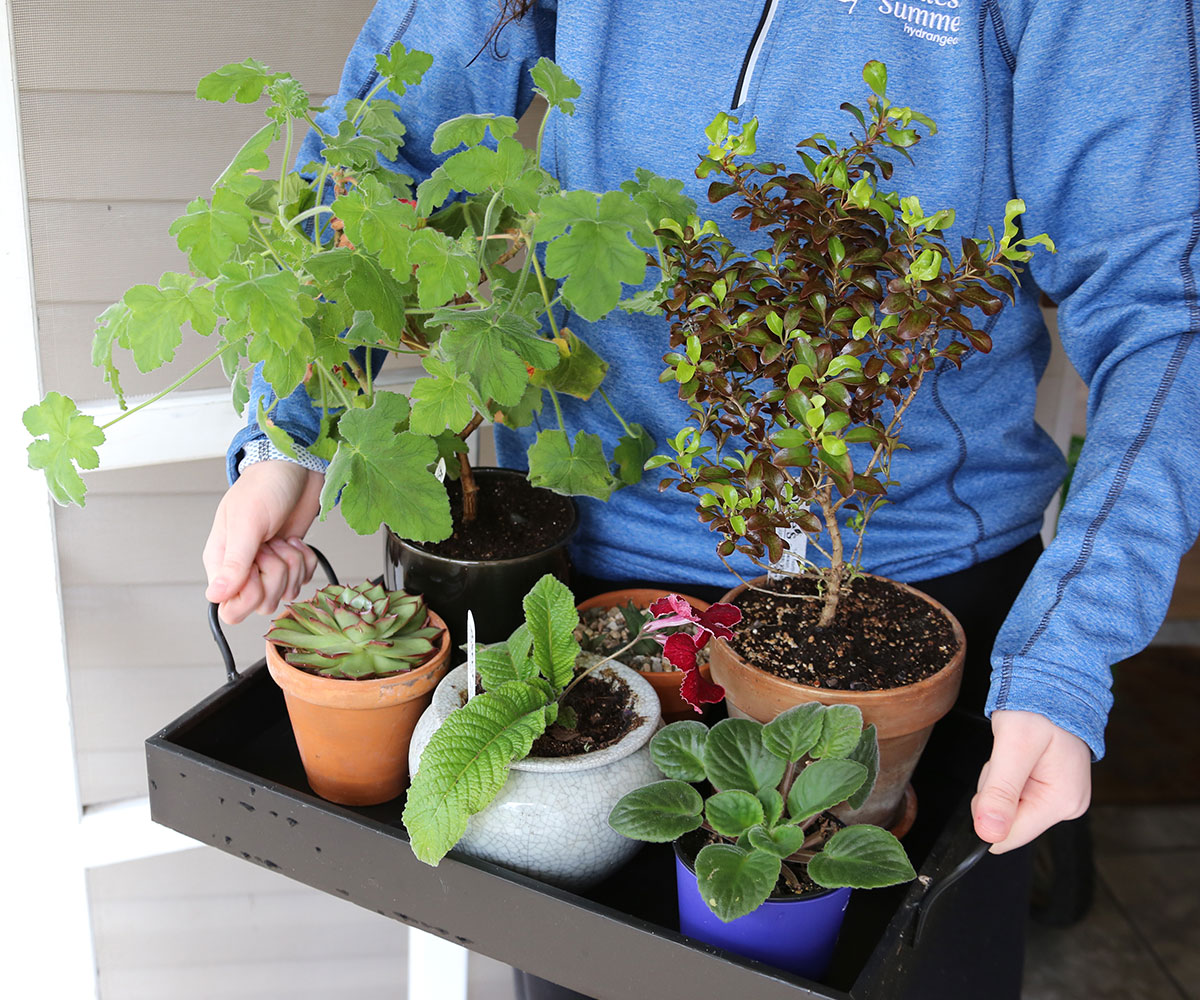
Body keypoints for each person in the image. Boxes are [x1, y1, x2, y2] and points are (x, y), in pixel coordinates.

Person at [203, 0, 1197, 931]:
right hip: (575, 589)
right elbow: (388, 141)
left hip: (906, 617)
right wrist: (287, 436)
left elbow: (1166, 307)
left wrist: (1068, 651)